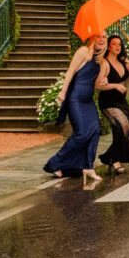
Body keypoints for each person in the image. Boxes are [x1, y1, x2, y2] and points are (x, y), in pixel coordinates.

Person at [44, 33, 108, 183]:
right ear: (92, 38)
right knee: (81, 133)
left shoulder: (102, 61)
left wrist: (104, 80)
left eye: (104, 37)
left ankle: (88, 166)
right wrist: (63, 92)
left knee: (95, 130)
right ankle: (54, 163)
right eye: (98, 36)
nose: (101, 39)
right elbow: (70, 72)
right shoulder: (83, 52)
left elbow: (98, 84)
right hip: (76, 99)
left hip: (88, 100)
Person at [97, 34, 129, 175]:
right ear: (108, 46)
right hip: (108, 102)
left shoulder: (123, 60)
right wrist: (114, 85)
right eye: (114, 44)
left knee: (125, 129)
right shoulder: (105, 63)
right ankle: (114, 160)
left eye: (119, 44)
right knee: (120, 127)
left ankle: (111, 157)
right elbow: (97, 85)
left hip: (121, 102)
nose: (117, 46)